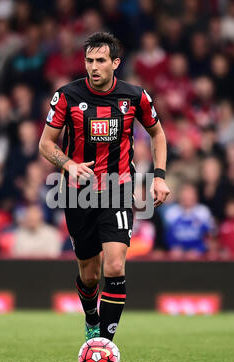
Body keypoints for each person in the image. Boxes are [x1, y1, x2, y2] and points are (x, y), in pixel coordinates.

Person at [39, 32, 170, 341]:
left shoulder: (135, 96)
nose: (93, 67)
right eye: (88, 61)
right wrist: (68, 164)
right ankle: (90, 317)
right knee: (89, 273)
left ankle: (103, 344)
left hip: (118, 188)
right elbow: (45, 143)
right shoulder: (66, 96)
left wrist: (160, 176)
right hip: (78, 193)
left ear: (115, 63)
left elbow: (158, 135)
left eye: (100, 61)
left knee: (114, 266)